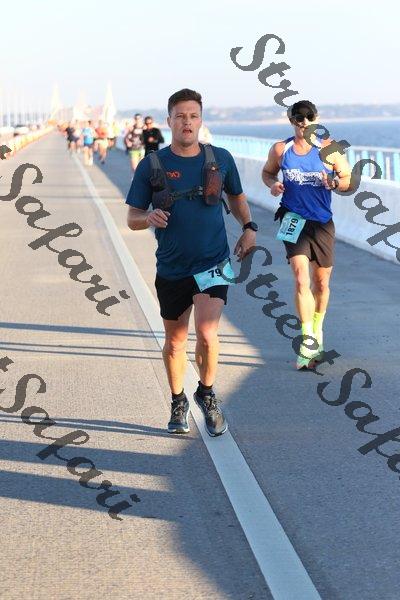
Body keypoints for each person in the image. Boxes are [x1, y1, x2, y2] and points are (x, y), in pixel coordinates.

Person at [126, 88, 257, 436]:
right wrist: (148, 218)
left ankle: (207, 393)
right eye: (180, 116)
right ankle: (178, 399)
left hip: (213, 262)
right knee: (175, 341)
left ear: (201, 120)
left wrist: (249, 227)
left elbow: (237, 197)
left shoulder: (221, 158)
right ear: (169, 120)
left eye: (193, 116)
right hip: (172, 267)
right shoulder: (152, 164)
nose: (187, 122)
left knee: (208, 333)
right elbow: (132, 217)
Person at [261, 100, 351, 370]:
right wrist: (273, 185)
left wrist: (334, 182)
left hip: (322, 223)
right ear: (291, 120)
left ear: (316, 119)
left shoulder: (329, 149)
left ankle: (317, 328)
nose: (304, 122)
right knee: (301, 279)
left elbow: (347, 180)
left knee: (320, 283)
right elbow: (267, 173)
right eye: (298, 118)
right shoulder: (281, 149)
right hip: (293, 219)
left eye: (309, 117)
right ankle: (307, 340)